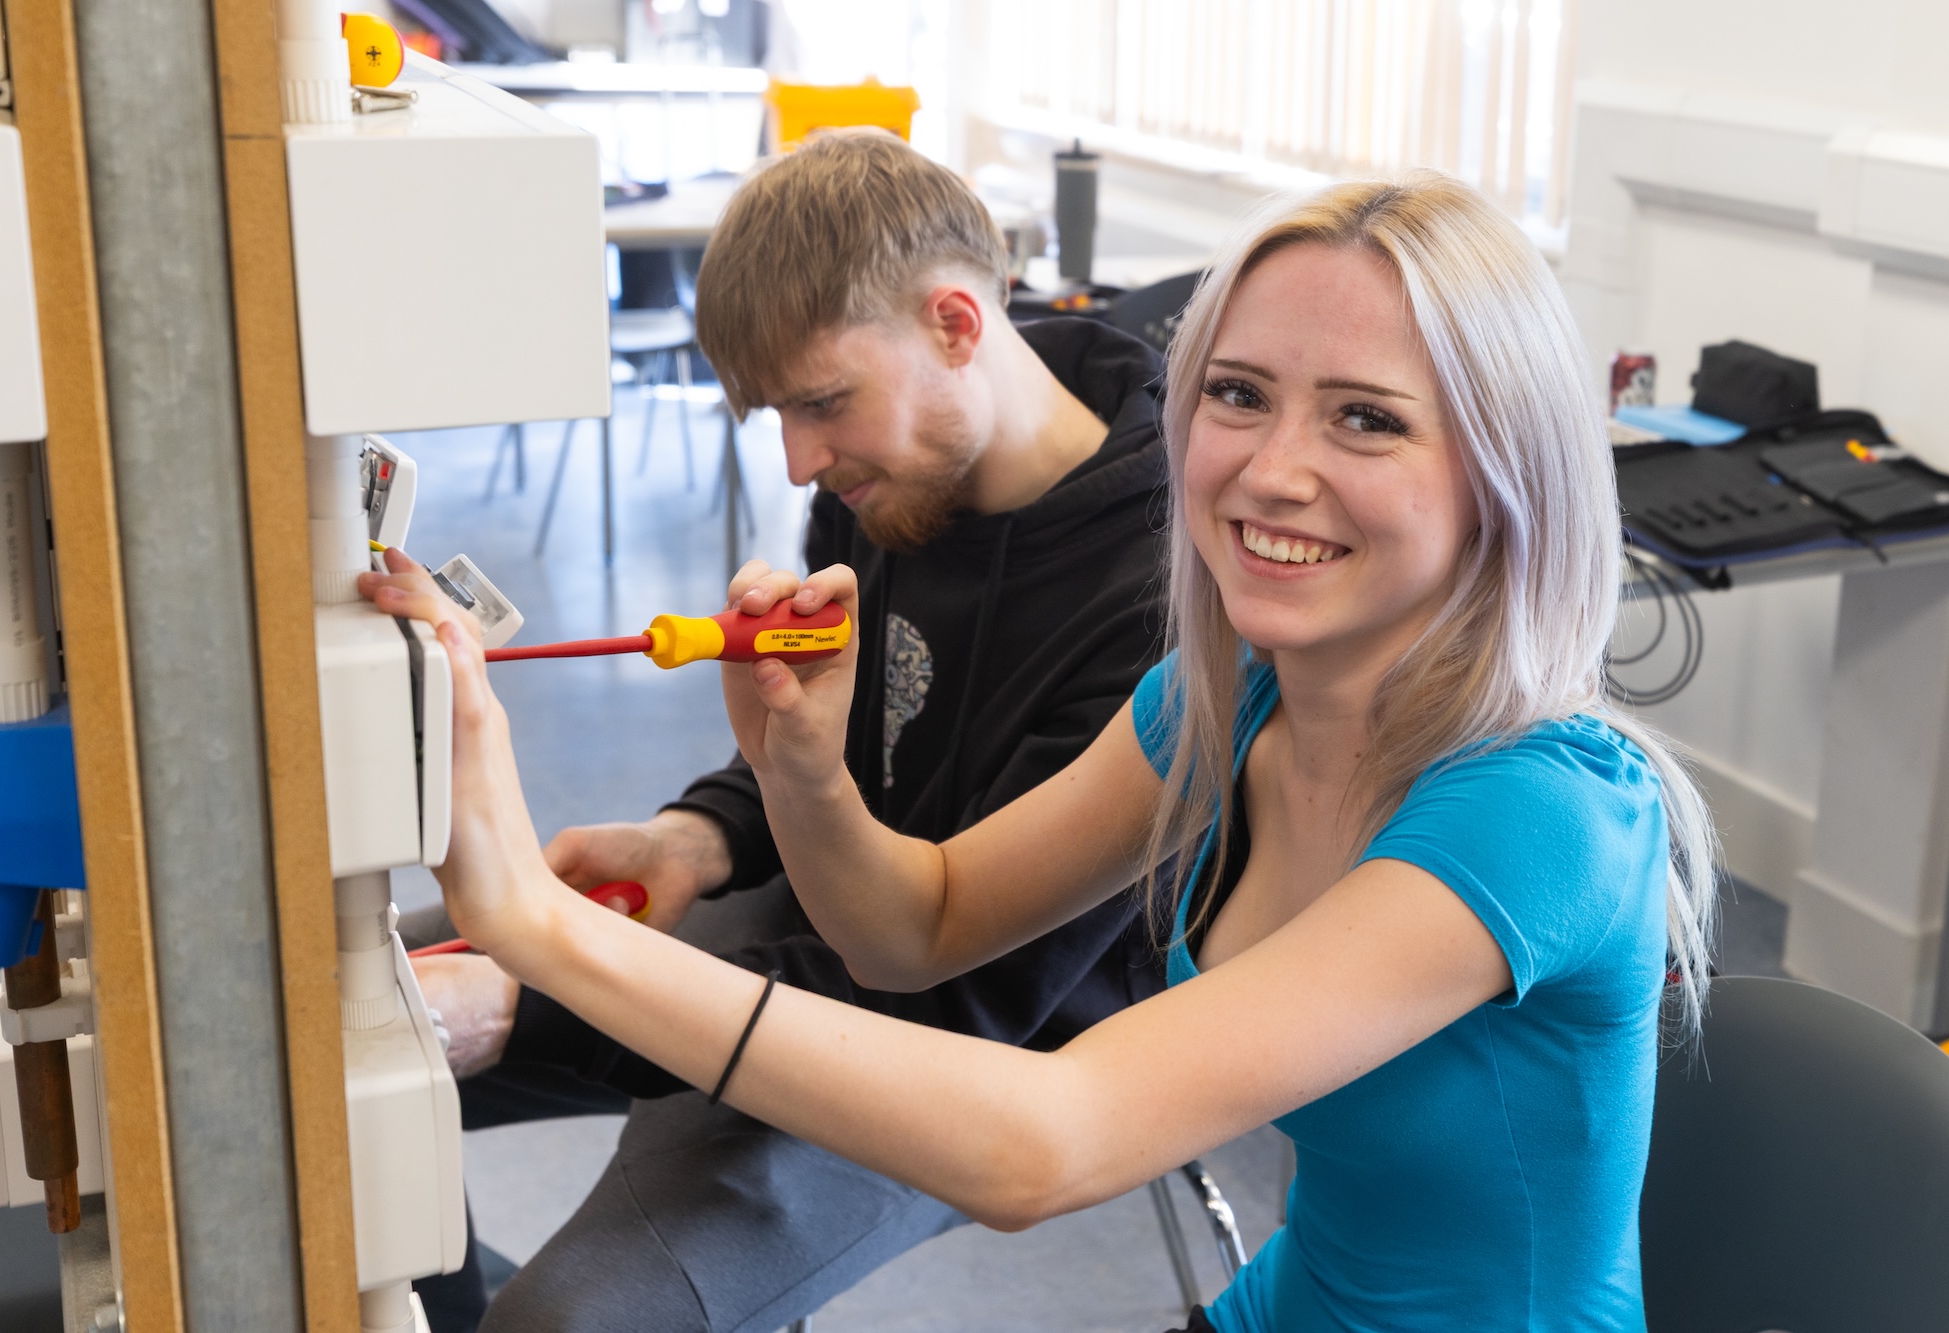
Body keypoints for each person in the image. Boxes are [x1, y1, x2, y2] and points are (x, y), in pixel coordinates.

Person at [374, 171, 1717, 1332]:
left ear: (1503, 465)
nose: (1268, 470)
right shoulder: (1228, 699)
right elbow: (920, 924)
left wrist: (541, 939)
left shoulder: (1540, 812)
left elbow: (1043, 1148)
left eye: (1365, 418)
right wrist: (803, 769)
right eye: (1239, 395)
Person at [409, 131, 1171, 1331]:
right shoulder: (891, 473)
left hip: (969, 1046)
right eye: (776, 414)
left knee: (575, 1321)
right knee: (341, 1004)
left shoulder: (1158, 601)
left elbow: (946, 997)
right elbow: (837, 756)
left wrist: (540, 998)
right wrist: (698, 837)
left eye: (821, 404)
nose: (802, 459)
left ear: (956, 324)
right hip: (834, 921)